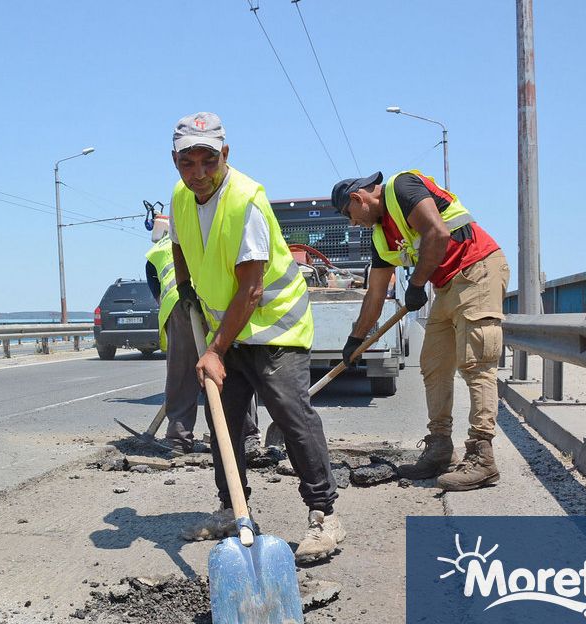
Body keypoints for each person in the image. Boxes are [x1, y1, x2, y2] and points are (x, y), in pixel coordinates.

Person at [167, 112, 342, 561]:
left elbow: (252, 289)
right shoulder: (181, 198)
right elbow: (180, 243)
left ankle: (324, 515)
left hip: (273, 327)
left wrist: (213, 349)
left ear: (225, 155)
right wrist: (185, 285)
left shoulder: (247, 201)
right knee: (221, 420)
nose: (199, 173)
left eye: (208, 160)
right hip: (227, 330)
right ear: (175, 161)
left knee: (290, 414)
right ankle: (232, 510)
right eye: (188, 162)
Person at [331, 170, 509, 491]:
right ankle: (441, 448)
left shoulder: (402, 187)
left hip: (477, 268)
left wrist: (415, 283)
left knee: (476, 362)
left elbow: (438, 233)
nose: (352, 223)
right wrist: (356, 339)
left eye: (350, 215)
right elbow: (375, 294)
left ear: (358, 198)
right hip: (446, 285)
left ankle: (482, 456)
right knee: (434, 365)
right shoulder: (380, 238)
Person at [144, 216, 262, 457]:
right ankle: (246, 436)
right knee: (232, 367)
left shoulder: (155, 253)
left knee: (182, 374)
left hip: (180, 307)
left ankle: (178, 438)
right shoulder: (206, 233)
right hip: (219, 302)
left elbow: (159, 294)